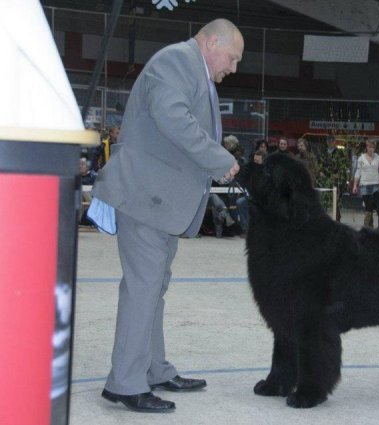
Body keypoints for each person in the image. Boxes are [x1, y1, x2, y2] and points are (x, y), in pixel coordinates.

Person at [91, 19, 244, 413]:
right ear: (212, 42)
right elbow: (172, 118)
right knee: (143, 290)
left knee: (153, 289)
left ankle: (154, 369)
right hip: (146, 198)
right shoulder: (177, 61)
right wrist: (218, 158)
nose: (234, 67)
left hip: (158, 202)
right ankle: (125, 381)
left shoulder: (189, 66)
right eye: (232, 57)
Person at [352, 140, 379, 227]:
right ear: (366, 147)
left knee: (371, 207)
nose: (370, 149)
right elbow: (358, 172)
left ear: (375, 148)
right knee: (368, 206)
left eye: (372, 147)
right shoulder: (361, 158)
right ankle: (368, 226)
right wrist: (354, 185)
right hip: (364, 185)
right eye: (369, 146)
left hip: (376, 185)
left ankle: (367, 226)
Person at [318, 135, 350, 221]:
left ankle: (337, 220)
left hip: (336, 181)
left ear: (334, 142)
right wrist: (320, 172)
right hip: (325, 180)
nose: (330, 143)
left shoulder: (340, 152)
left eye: (332, 141)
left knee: (336, 202)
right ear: (327, 142)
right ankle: (324, 220)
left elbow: (344, 166)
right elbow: (319, 164)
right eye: (329, 141)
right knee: (324, 202)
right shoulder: (323, 152)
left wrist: (338, 174)